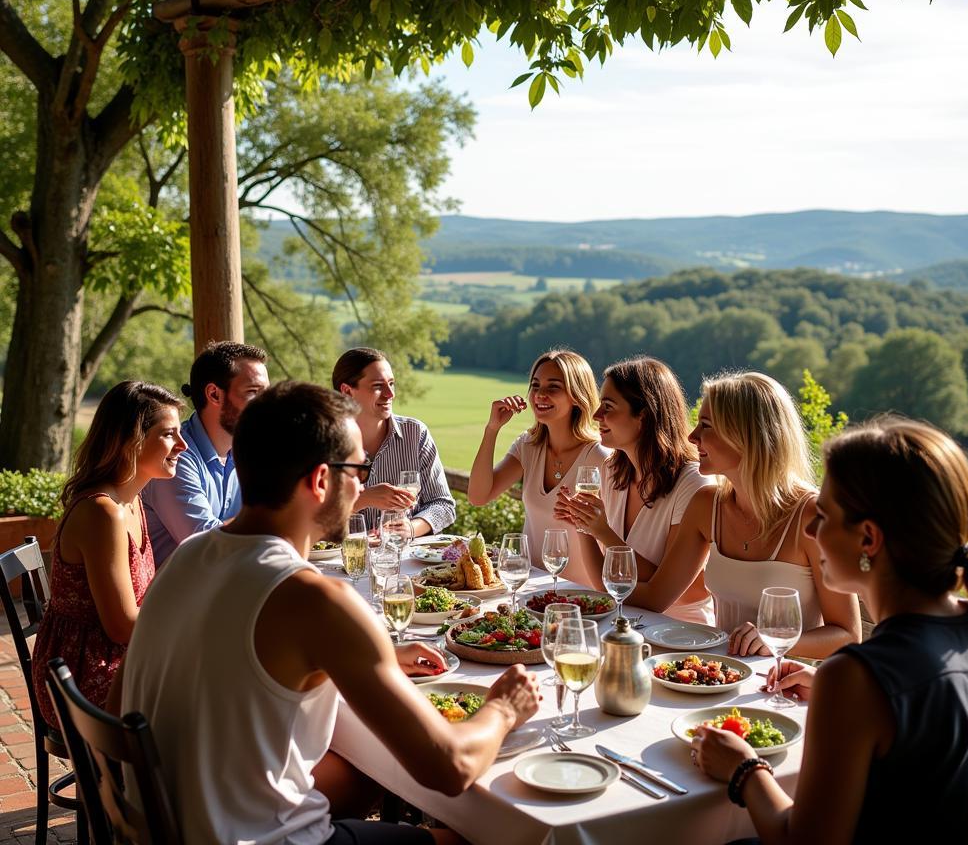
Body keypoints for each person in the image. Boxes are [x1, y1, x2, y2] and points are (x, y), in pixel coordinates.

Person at [120, 381, 540, 845]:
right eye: (359, 469)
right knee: (477, 836)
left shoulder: (188, 556)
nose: (363, 483)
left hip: (169, 827)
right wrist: (504, 707)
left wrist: (356, 657)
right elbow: (452, 768)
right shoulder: (314, 599)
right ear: (321, 480)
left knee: (373, 774)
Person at [690, 417, 968, 844]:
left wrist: (744, 769)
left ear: (869, 539)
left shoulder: (855, 678)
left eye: (823, 515)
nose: (810, 530)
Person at [31, 381, 184, 729]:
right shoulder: (103, 512)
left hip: (119, 658)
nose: (182, 445)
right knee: (213, 695)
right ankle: (144, 782)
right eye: (168, 434)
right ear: (131, 440)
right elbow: (121, 628)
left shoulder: (133, 501)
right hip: (83, 674)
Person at [690, 371, 860, 658]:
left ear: (747, 436)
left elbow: (847, 636)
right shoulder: (706, 505)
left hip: (786, 686)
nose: (692, 436)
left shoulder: (811, 517)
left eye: (705, 425)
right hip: (719, 676)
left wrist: (774, 640)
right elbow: (661, 594)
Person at [554, 356, 717, 622]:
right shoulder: (612, 471)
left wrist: (603, 532)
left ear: (643, 414)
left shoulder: (693, 483)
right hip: (624, 620)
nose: (596, 416)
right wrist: (582, 523)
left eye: (608, 406)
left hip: (682, 632)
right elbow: (605, 583)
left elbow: (661, 591)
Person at [468, 349, 609, 587]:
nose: (540, 395)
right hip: (529, 589)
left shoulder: (600, 457)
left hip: (582, 595)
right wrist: (492, 429)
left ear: (576, 395)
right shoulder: (528, 446)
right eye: (535, 386)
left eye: (553, 387)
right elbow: (478, 496)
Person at [142, 340, 269, 565]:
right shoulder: (175, 458)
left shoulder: (249, 451)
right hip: (178, 597)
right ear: (214, 394)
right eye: (253, 392)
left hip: (223, 585)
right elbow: (208, 546)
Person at [332, 348, 455, 538]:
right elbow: (307, 517)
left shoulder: (415, 434)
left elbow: (442, 504)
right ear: (347, 391)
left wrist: (411, 528)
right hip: (339, 561)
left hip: (403, 560)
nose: (390, 394)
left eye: (391, 384)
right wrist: (362, 500)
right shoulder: (323, 441)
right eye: (378, 386)